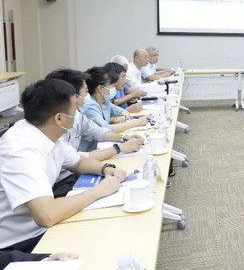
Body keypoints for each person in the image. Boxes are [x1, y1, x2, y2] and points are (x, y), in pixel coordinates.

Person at [0, 79, 125, 253]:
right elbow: (47, 215)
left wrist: (105, 169)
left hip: (41, 227)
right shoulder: (20, 150)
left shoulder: (45, 132)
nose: (79, 111)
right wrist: (100, 190)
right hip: (19, 244)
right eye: (75, 108)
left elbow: (79, 162)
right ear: (59, 118)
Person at [45, 69, 144, 197]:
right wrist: (119, 148)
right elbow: (78, 159)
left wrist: (123, 138)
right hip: (60, 183)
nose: (88, 95)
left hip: (75, 173)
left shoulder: (77, 115)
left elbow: (97, 131)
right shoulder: (55, 127)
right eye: (86, 91)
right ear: (72, 96)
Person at [82, 67, 148, 133]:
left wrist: (123, 117)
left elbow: (124, 111)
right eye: (111, 85)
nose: (114, 88)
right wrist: (137, 123)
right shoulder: (91, 107)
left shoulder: (104, 101)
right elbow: (106, 129)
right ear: (100, 88)